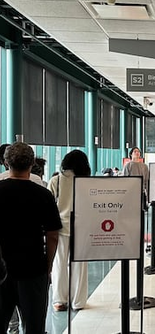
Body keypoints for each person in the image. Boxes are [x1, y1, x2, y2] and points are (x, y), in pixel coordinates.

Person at [0, 142, 62, 333]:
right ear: (32, 163)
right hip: (33, 269)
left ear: (6, 163)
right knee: (34, 326)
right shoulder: (43, 195)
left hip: (1, 269)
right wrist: (48, 266)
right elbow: (53, 235)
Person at [47, 149, 91, 312]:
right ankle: (78, 301)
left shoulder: (56, 180)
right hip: (82, 227)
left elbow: (50, 204)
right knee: (80, 265)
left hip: (60, 227)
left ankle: (60, 300)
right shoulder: (86, 181)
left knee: (59, 264)